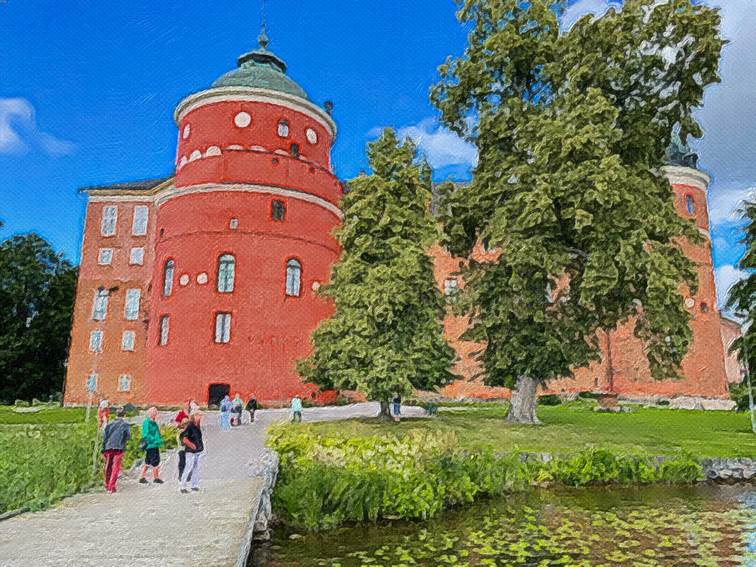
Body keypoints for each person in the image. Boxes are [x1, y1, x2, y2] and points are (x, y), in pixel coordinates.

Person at [101, 407, 131, 493]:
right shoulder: (125, 424)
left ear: (116, 415)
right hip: (119, 447)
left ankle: (107, 484)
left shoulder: (110, 424)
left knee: (108, 466)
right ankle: (112, 487)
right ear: (124, 415)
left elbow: (104, 437)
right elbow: (128, 436)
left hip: (108, 447)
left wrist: (103, 449)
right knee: (116, 467)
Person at [179, 411, 204, 493]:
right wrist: (191, 445)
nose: (200, 417)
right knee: (188, 467)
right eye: (198, 415)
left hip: (198, 451)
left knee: (196, 468)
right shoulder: (190, 426)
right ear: (194, 416)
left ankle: (194, 485)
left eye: (200, 415)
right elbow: (184, 438)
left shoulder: (197, 425)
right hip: (190, 451)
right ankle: (182, 486)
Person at [139, 406, 164, 484]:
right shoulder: (147, 422)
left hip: (155, 445)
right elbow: (145, 435)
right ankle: (155, 478)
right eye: (154, 413)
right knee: (154, 461)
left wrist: (159, 440)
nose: (155, 414)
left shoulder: (154, 422)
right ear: (149, 413)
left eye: (156, 413)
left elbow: (157, 433)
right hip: (150, 445)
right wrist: (155, 440)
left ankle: (142, 477)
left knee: (149, 461)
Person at [176, 417, 190, 481]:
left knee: (184, 462)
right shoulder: (182, 432)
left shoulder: (184, 431)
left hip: (183, 449)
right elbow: (183, 442)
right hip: (183, 450)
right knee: (183, 463)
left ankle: (184, 475)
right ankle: (181, 475)